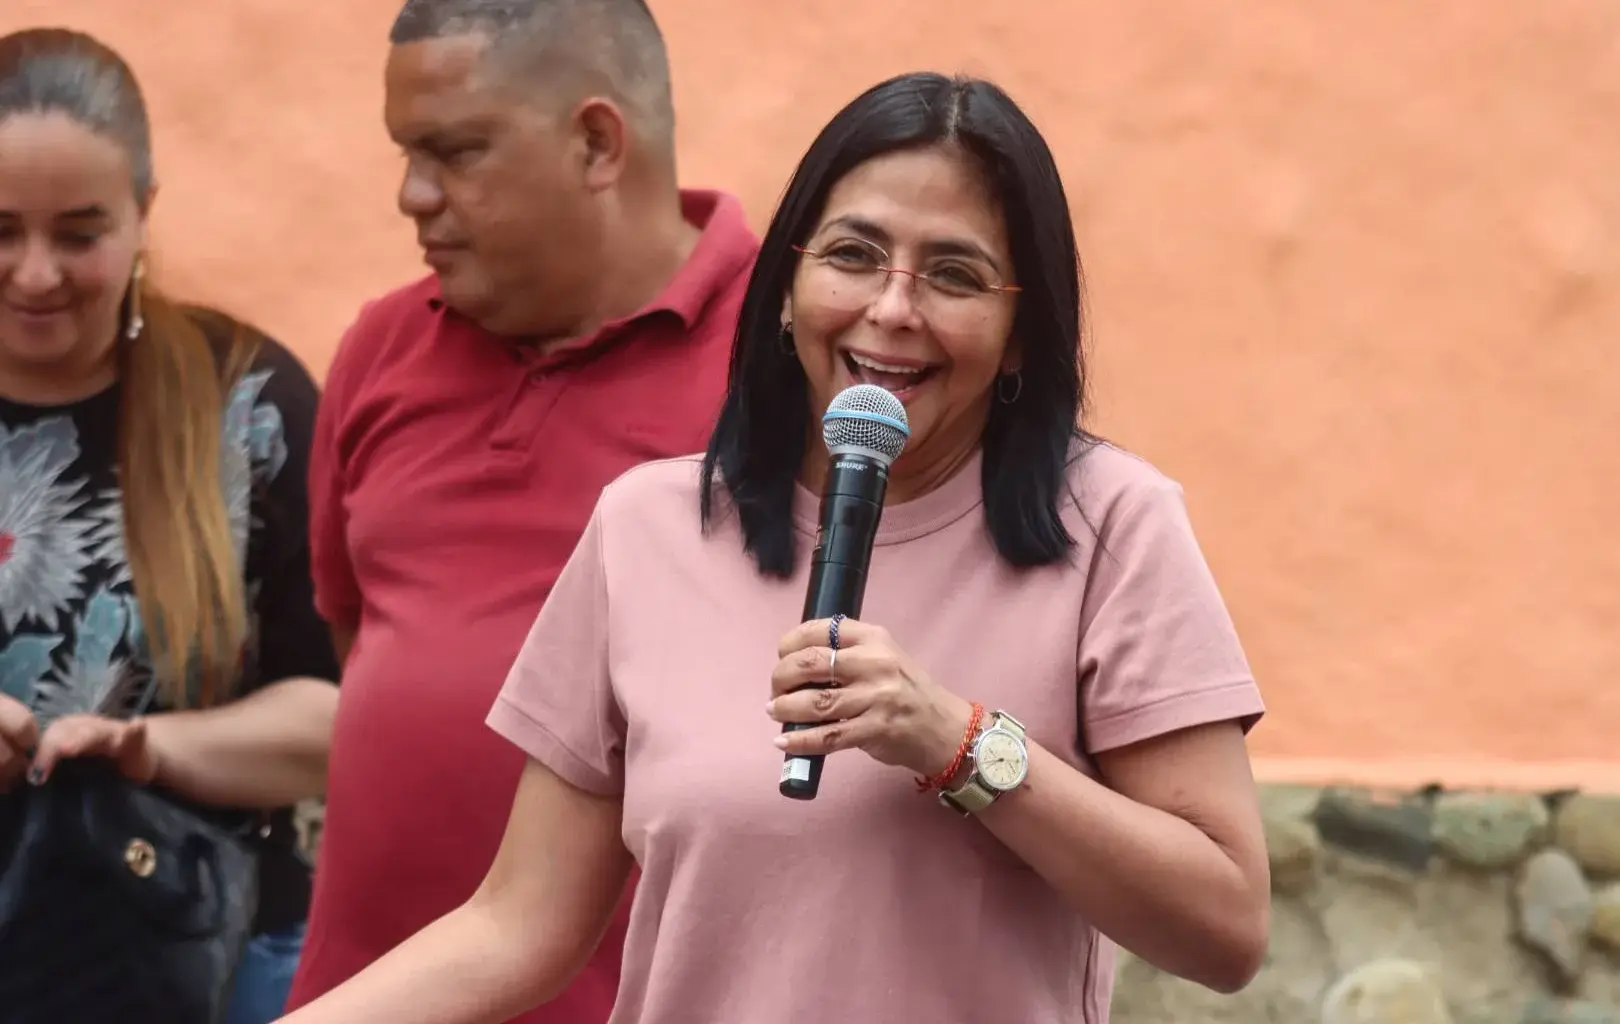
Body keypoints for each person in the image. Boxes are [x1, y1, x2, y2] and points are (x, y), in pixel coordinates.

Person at [276, 69, 1272, 1024]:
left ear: (1020, 331)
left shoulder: (1111, 525)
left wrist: (958, 742)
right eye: (851, 255)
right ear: (786, 285)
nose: (891, 308)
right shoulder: (647, 529)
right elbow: (520, 924)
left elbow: (1224, 926)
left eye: (955, 274)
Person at [282, 1, 758, 1020]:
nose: (413, 196)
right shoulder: (381, 347)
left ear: (596, 142)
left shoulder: (785, 366)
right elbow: (359, 638)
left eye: (455, 152)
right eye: (407, 152)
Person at [0, 27, 340, 1024]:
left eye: (79, 231)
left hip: (206, 950)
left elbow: (335, 717)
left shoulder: (253, 405)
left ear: (144, 214)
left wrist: (148, 747)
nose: (34, 272)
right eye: (1, 228)